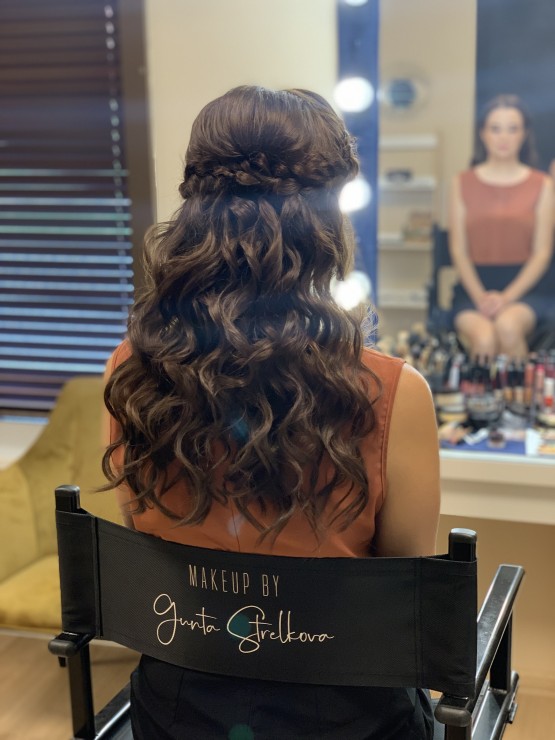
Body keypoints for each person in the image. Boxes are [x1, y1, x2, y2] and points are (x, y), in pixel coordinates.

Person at [103, 85, 440, 740]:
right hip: (348, 717)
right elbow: (404, 600)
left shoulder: (131, 375)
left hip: (177, 711)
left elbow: (142, 534)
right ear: (326, 222)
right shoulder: (395, 394)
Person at [449, 94, 554, 360]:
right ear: (483, 133)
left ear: (524, 134)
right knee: (484, 337)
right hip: (473, 287)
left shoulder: (543, 184)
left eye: (512, 129)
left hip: (527, 288)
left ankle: (518, 390)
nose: (503, 137)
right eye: (495, 128)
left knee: (508, 328)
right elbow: (458, 250)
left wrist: (506, 298)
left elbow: (542, 253)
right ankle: (481, 390)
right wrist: (481, 298)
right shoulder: (461, 182)